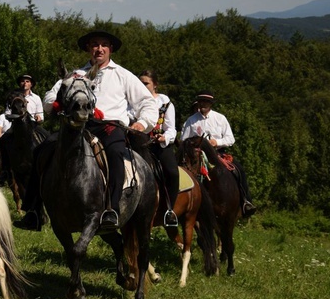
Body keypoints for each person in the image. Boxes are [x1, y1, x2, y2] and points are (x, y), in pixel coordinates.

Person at [15, 30, 158, 231]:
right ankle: (33, 211)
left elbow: (147, 103)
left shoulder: (123, 75)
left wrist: (142, 123)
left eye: (104, 45)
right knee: (43, 149)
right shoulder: (76, 75)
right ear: (88, 49)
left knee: (116, 153)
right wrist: (58, 103)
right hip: (79, 127)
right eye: (94, 44)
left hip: (110, 127)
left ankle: (112, 209)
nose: (99, 49)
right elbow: (49, 98)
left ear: (110, 49)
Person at [180, 91, 256, 217]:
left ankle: (245, 201)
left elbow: (230, 139)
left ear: (211, 104)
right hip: (197, 155)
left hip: (218, 154)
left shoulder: (220, 118)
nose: (203, 104)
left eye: (206, 101)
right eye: (201, 101)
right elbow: (184, 140)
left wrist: (217, 142)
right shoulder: (191, 120)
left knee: (239, 170)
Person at [137, 70, 179, 227]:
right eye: (140, 83)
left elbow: (171, 128)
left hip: (159, 145)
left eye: (146, 83)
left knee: (172, 173)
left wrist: (165, 138)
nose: (142, 86)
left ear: (155, 84)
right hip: (139, 144)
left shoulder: (165, 103)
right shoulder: (133, 101)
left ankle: (170, 210)